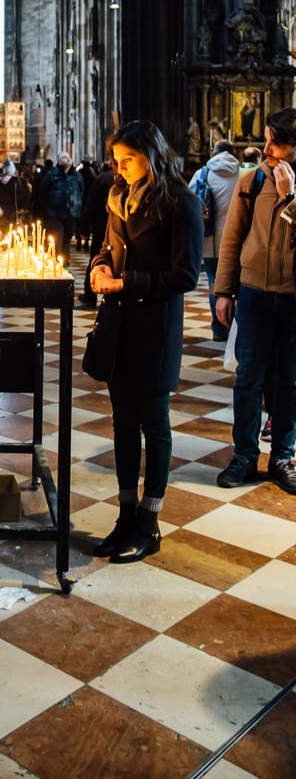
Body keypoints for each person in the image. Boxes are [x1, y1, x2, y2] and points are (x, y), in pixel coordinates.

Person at [89, 120, 203, 563]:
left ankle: (149, 521)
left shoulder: (182, 203)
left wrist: (126, 283)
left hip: (154, 329)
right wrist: (99, 269)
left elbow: (185, 276)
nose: (121, 168)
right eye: (117, 161)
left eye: (129, 159)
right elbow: (105, 248)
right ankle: (125, 514)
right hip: (119, 328)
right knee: (121, 423)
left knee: (153, 424)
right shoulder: (117, 199)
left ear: (151, 155)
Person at [213, 107, 296, 495]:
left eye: (275, 143)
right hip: (255, 291)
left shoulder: (283, 184)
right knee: (248, 377)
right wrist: (223, 291)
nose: (266, 149)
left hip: (293, 296)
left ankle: (283, 454)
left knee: (289, 380)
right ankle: (245, 454)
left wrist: (289, 199)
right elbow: (232, 240)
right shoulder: (252, 180)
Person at [188, 139, 240, 341]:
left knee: (214, 282)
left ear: (214, 152)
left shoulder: (203, 173)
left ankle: (218, 328)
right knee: (235, 284)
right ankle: (233, 325)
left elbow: (190, 202)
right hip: (235, 240)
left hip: (210, 239)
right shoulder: (243, 174)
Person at [77, 161, 115, 307]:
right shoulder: (106, 179)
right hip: (106, 226)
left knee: (96, 258)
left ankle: (90, 295)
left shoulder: (102, 179)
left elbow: (90, 205)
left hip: (102, 227)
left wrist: (84, 227)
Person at [34, 151, 84, 255]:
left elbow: (81, 190)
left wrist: (77, 204)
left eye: (67, 158)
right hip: (54, 213)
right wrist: (42, 211)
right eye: (63, 158)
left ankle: (64, 263)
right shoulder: (51, 175)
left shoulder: (76, 175)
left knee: (67, 237)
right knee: (56, 237)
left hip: (72, 212)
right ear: (58, 161)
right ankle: (55, 262)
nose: (66, 160)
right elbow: (43, 193)